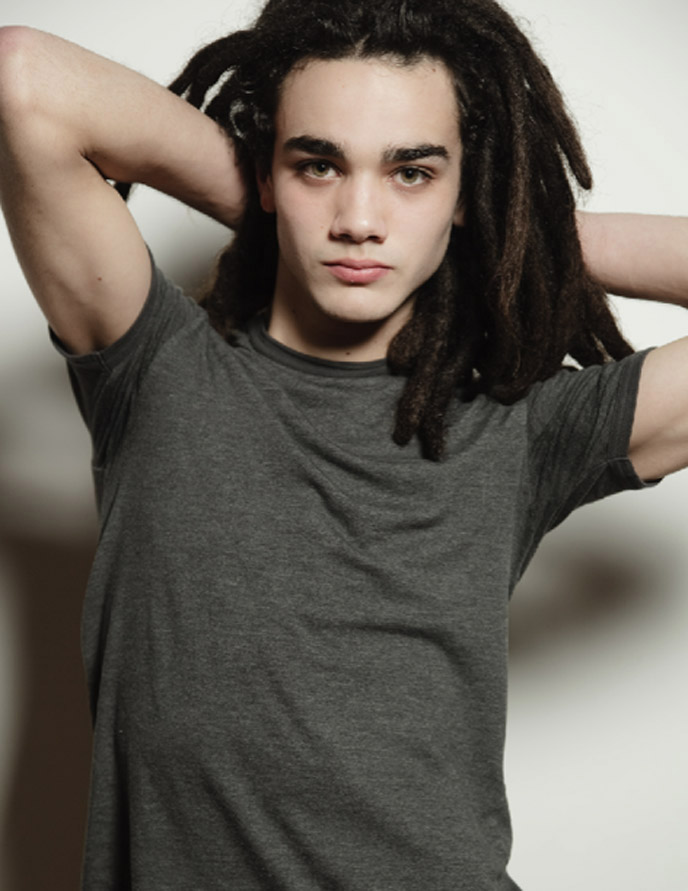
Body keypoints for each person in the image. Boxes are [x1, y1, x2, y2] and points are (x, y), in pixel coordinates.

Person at [0, 0, 686, 888]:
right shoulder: (156, 367)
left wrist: (517, 228)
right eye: (318, 164)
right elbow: (23, 78)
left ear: (463, 192)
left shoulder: (526, 426)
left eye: (412, 173)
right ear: (268, 173)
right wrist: (270, 201)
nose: (359, 218)